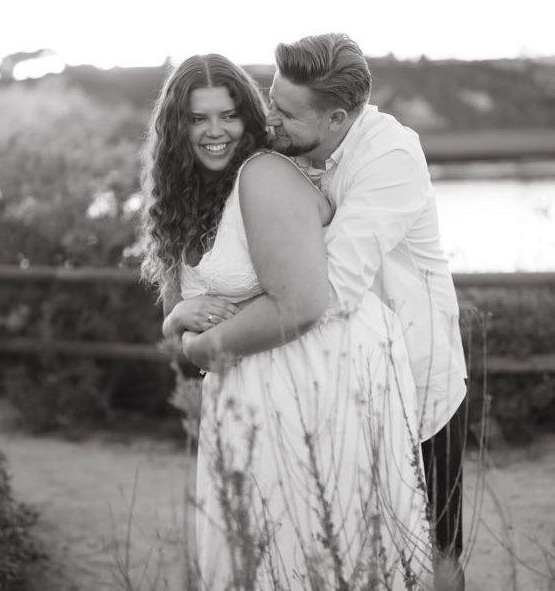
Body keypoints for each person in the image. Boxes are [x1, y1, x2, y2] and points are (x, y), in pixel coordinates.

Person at [177, 34, 468, 587]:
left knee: (429, 559)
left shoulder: (388, 156)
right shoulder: (287, 149)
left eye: (286, 113)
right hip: (329, 393)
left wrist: (204, 339)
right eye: (271, 100)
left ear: (337, 118)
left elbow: (324, 290)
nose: (270, 118)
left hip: (415, 384)